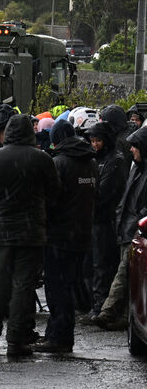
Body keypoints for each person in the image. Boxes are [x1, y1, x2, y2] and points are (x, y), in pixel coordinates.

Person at [0, 114, 60, 357]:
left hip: (0, 234)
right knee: (23, 287)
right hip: (31, 234)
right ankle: (17, 340)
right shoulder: (42, 159)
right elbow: (54, 195)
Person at [37, 120, 96, 353]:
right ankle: (57, 333)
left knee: (57, 287)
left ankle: (59, 337)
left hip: (59, 236)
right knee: (69, 285)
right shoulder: (91, 163)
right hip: (82, 234)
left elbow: (50, 199)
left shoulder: (59, 163)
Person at [91, 126, 147, 330]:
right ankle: (114, 313)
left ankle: (110, 312)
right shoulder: (136, 169)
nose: (131, 150)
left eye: (135, 146)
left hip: (135, 230)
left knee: (126, 275)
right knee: (124, 274)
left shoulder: (129, 167)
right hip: (127, 228)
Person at [86, 121, 127, 318]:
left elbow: (105, 193)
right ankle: (97, 304)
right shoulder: (100, 159)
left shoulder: (114, 161)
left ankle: (100, 306)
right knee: (96, 264)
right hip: (99, 219)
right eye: (92, 140)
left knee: (101, 264)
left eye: (98, 140)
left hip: (105, 220)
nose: (94, 144)